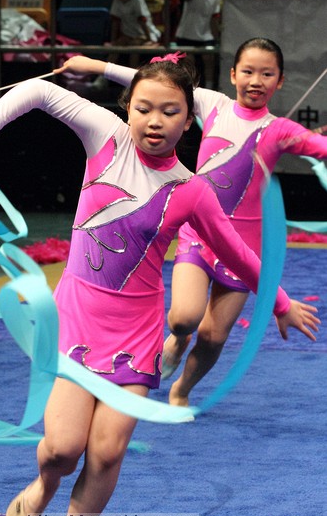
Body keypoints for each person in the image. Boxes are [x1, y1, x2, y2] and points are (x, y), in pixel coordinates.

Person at [0, 51, 318, 516]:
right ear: (127, 107)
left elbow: (236, 252)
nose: (155, 121)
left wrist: (280, 303)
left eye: (170, 112)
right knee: (62, 450)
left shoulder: (190, 190)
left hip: (136, 331)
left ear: (189, 121)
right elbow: (39, 91)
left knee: (107, 452)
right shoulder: (104, 136)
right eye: (144, 108)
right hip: (79, 315)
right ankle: (44, 485)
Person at [60, 41, 326, 410]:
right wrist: (94, 65)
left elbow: (320, 147)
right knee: (184, 318)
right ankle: (179, 337)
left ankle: (182, 389)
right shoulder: (213, 104)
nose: (256, 81)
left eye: (267, 74)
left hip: (243, 245)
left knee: (214, 335)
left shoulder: (280, 129)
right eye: (248, 71)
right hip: (199, 235)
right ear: (232, 74)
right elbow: (154, 85)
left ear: (280, 81)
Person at [174, 0, 221, 88]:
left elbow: (214, 19)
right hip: (186, 34)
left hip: (205, 36)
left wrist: (217, 39)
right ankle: (190, 90)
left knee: (209, 60)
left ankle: (210, 88)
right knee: (189, 63)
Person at [105, 0, 161, 67]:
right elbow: (115, 22)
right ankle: (104, 74)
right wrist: (113, 41)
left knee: (133, 47)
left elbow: (142, 21)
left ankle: (133, 73)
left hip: (145, 34)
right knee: (116, 47)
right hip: (129, 35)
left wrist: (149, 40)